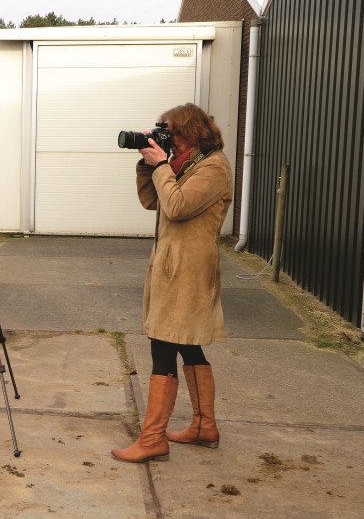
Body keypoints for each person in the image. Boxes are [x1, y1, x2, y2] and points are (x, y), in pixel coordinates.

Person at [111, 103, 233, 463]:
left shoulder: (214, 167)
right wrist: (148, 165)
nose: (167, 138)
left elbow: (178, 207)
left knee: (163, 344)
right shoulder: (187, 164)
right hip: (172, 267)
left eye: (170, 131)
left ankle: (152, 440)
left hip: (190, 271)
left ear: (192, 132)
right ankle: (203, 425)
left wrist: (162, 164)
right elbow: (154, 201)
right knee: (187, 345)